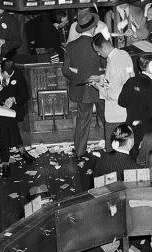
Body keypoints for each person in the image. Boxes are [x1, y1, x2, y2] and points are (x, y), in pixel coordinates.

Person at [0, 57, 33, 177]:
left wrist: (14, 99)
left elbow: (25, 95)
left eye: (11, 76)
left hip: (13, 108)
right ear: (1, 71)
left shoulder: (17, 74)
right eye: (7, 76)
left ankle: (5, 161)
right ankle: (21, 149)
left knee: (4, 122)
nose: (9, 79)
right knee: (6, 120)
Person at [62, 11, 103, 158]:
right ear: (93, 28)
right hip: (100, 89)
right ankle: (112, 149)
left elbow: (65, 70)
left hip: (80, 89)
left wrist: (79, 76)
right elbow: (106, 67)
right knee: (108, 120)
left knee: (82, 121)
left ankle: (79, 152)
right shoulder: (100, 43)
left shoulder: (71, 46)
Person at [118, 53, 152, 159]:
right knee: (146, 158)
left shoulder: (131, 81)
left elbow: (121, 102)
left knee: (133, 155)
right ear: (148, 66)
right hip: (147, 130)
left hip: (132, 126)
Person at [92, 33, 133, 142]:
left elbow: (113, 94)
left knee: (113, 146)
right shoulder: (123, 54)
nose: (98, 54)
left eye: (98, 51)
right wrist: (101, 78)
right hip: (128, 107)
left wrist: (98, 87)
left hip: (116, 113)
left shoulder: (113, 63)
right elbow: (126, 76)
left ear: (104, 47)